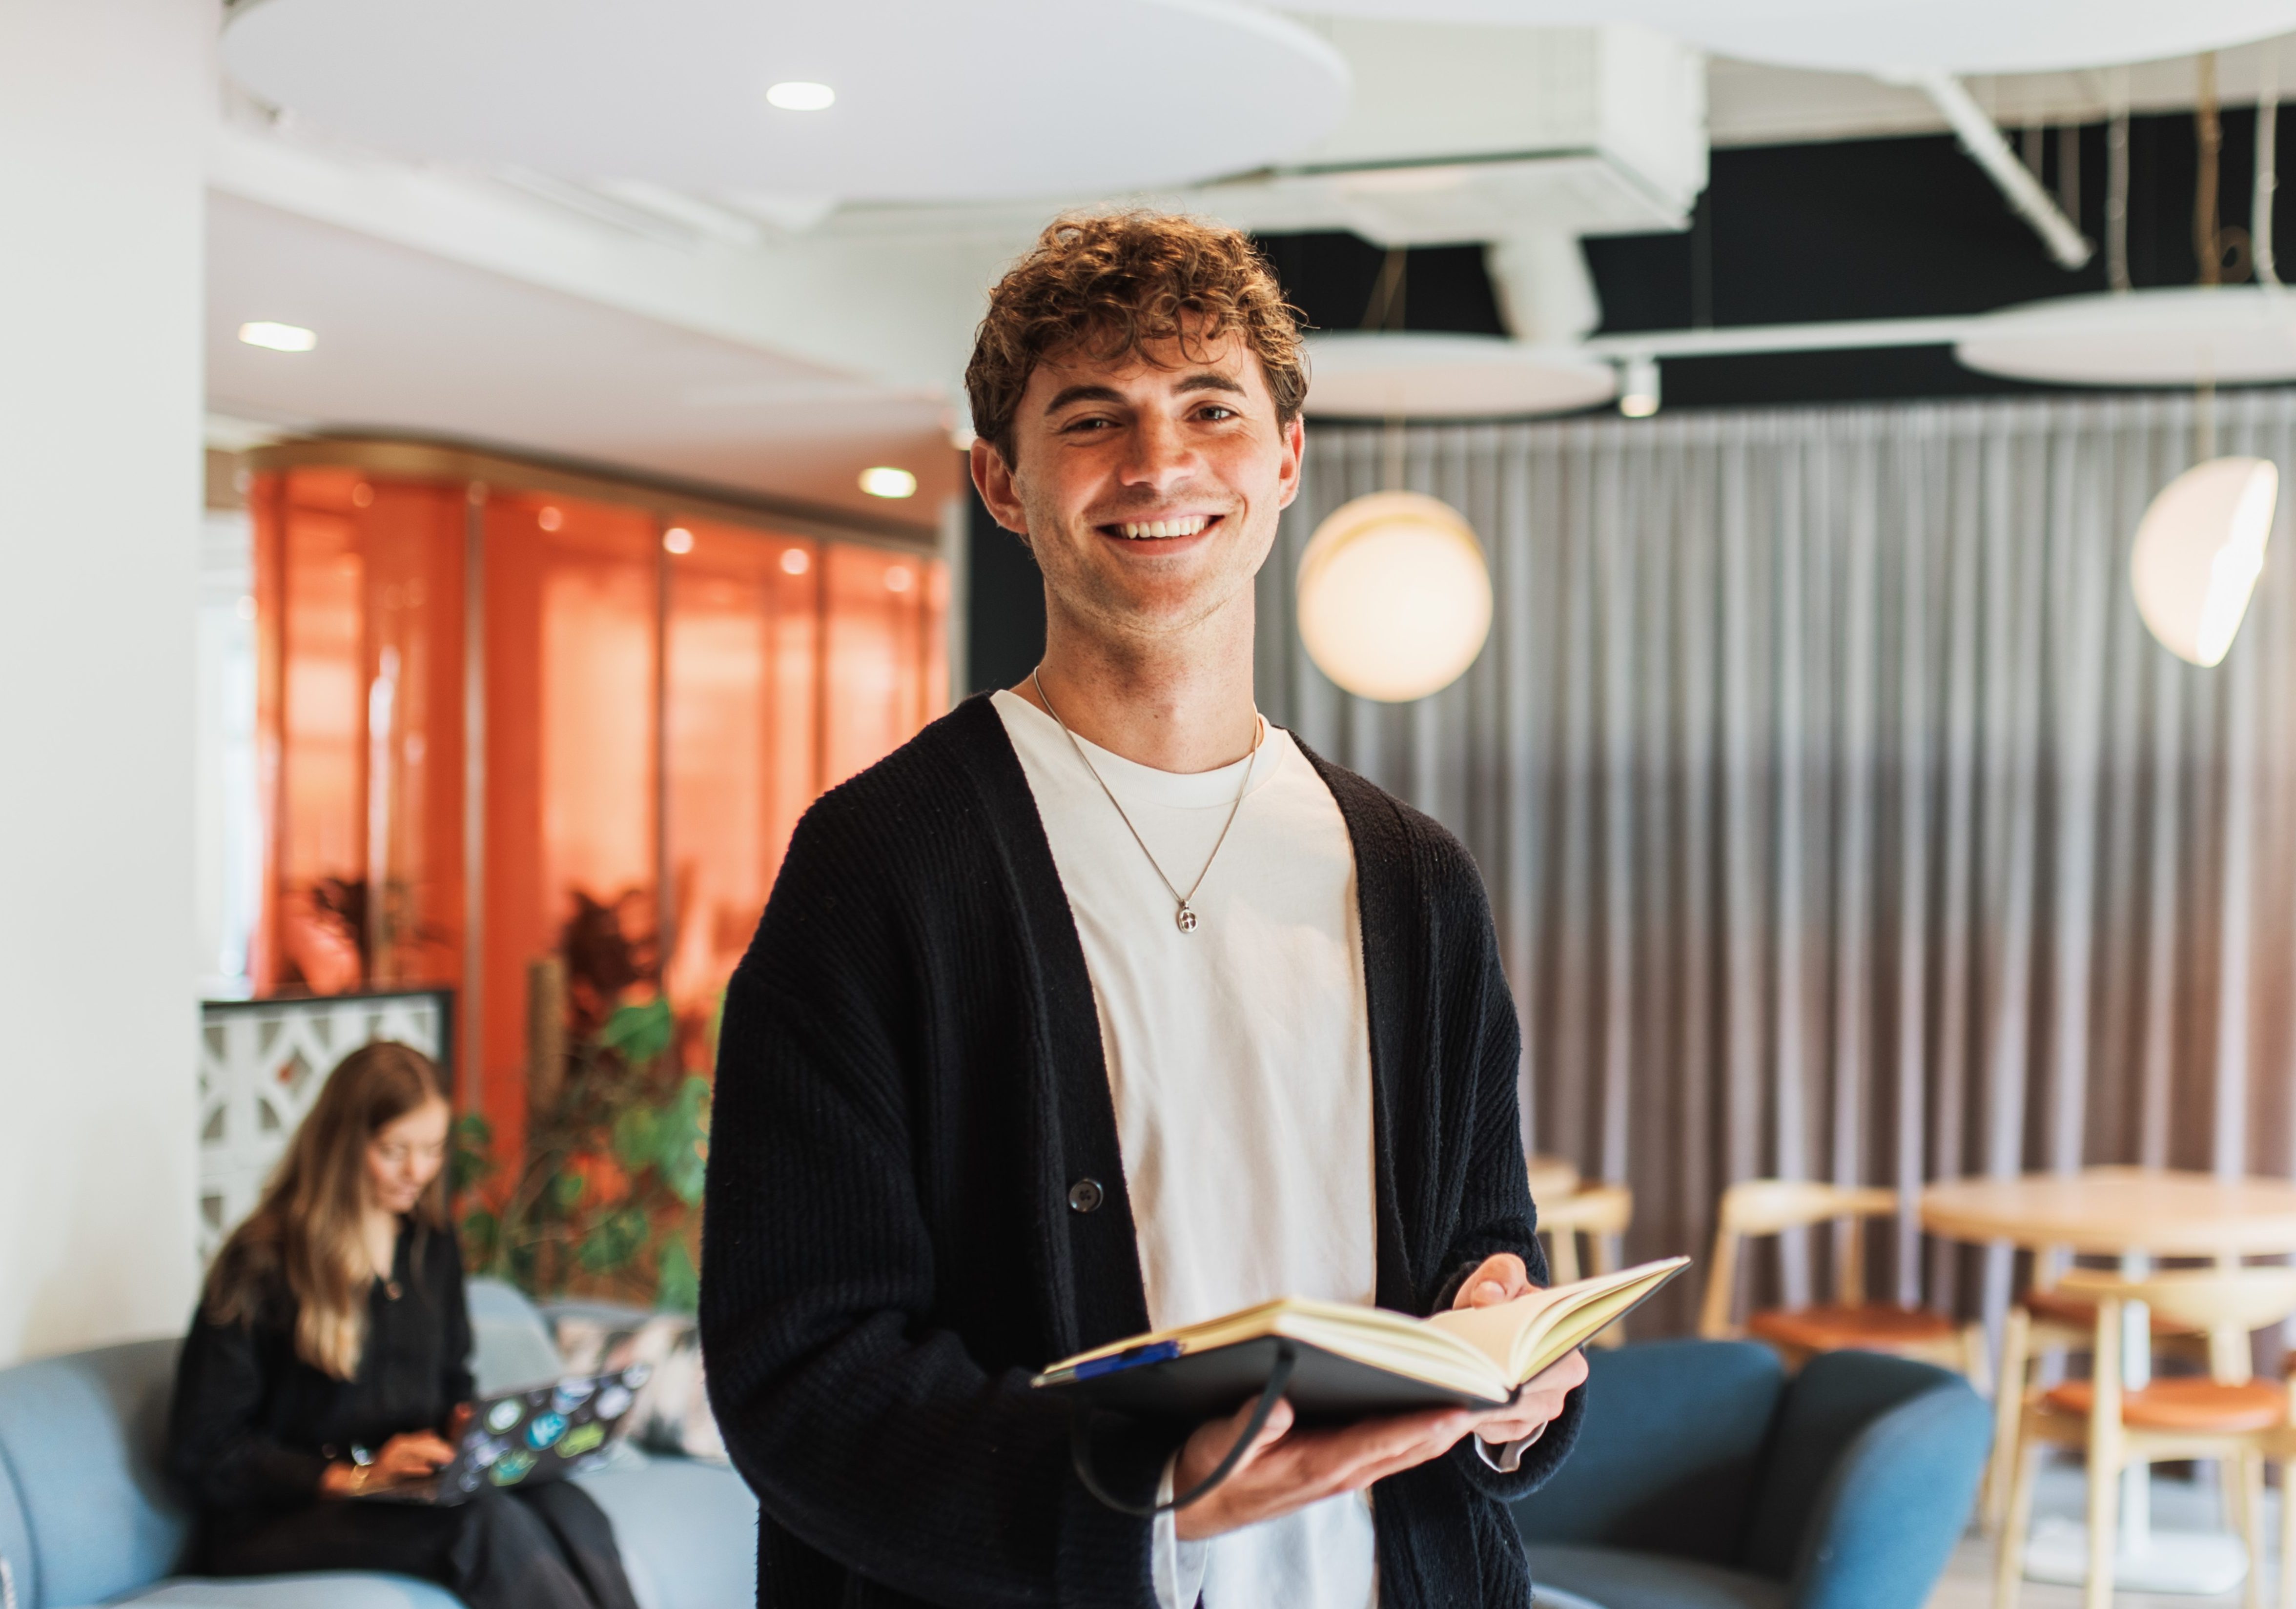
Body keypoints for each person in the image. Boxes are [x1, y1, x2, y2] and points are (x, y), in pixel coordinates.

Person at [700, 210, 1588, 1609]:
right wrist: (1132, 1492)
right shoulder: (879, 867)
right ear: (1000, 482)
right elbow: (797, 1374)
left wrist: (1508, 1369)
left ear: (1286, 457)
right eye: (1093, 418)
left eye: (1210, 408)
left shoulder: (1415, 880)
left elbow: (1485, 1250)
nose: (1160, 463)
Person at [169, 1041, 638, 1609]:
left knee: (567, 1505)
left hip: (395, 1492)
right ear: (343, 1145)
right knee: (479, 1527)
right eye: (394, 1151)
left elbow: (451, 1380)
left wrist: (470, 1431)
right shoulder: (261, 1262)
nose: (418, 1172)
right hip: (276, 1518)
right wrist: (355, 1475)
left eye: (433, 1149)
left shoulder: (428, 1245)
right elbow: (206, 1449)